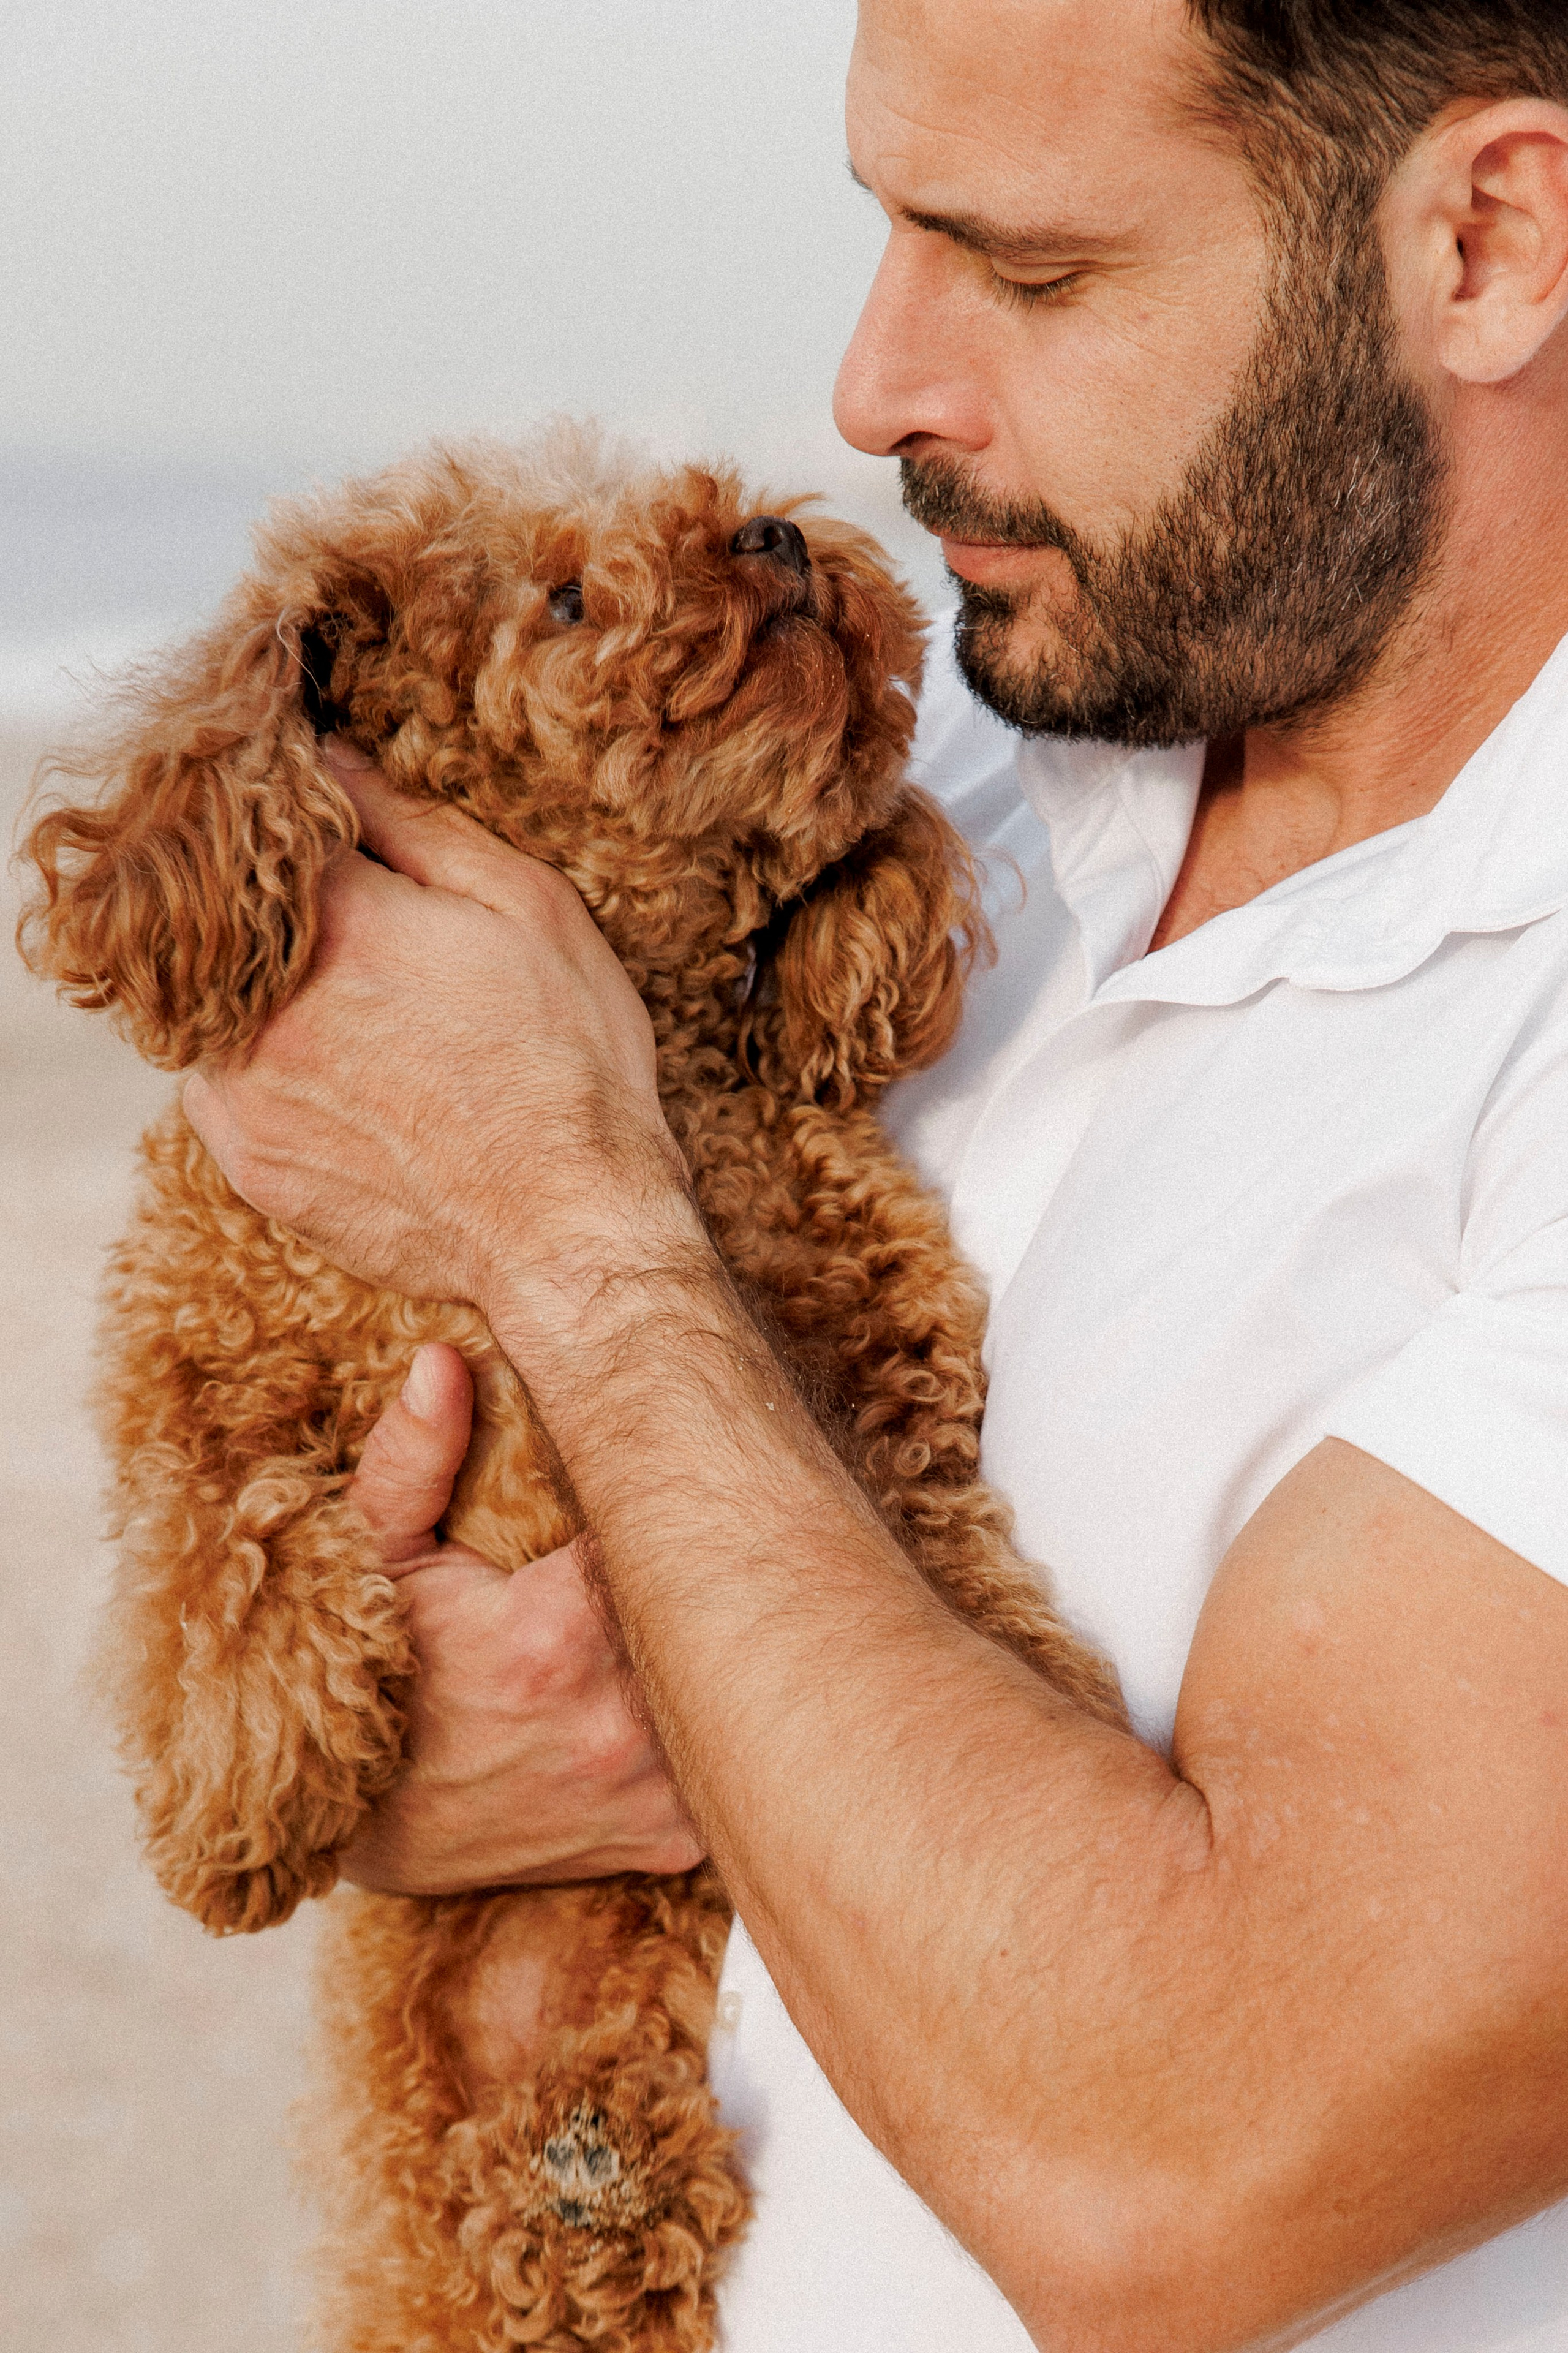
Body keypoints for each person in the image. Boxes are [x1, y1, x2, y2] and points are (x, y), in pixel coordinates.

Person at [183, 1, 1568, 2344]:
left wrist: (561, 1213)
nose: (870, 386)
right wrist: (429, 1737)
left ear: (1489, 241)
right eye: (884, 229)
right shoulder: (943, 851)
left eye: (1026, 274)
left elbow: (1181, 2157)